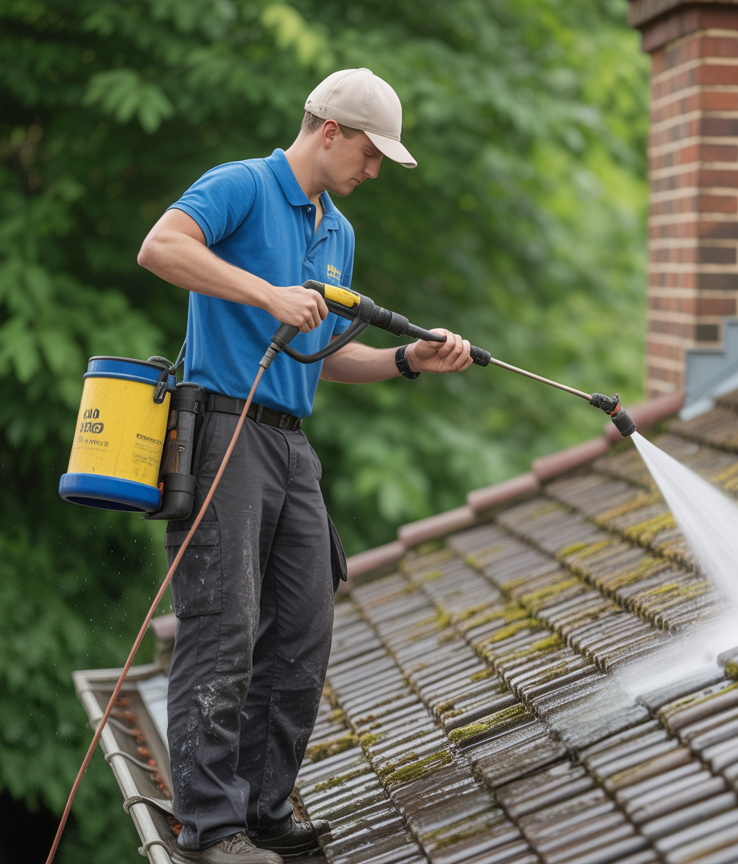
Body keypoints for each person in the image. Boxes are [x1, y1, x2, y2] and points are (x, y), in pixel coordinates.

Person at [137, 68, 472, 864]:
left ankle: (261, 811)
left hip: (291, 444)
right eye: (369, 152)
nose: (374, 170)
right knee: (224, 627)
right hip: (223, 431)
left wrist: (407, 361)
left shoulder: (337, 231)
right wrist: (267, 294)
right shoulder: (241, 186)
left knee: (303, 626)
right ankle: (210, 829)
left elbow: (320, 354)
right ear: (329, 131)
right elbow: (160, 248)